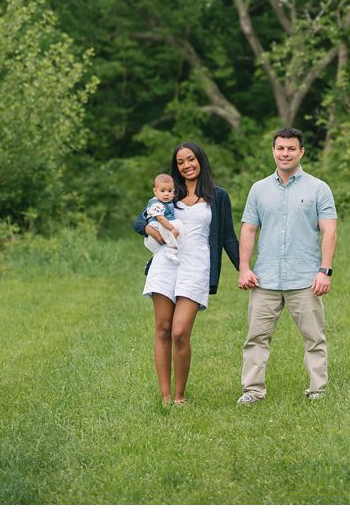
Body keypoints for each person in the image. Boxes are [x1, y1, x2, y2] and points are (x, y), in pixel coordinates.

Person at [132, 141, 241, 407]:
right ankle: (167, 398)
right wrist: (151, 230)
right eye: (180, 162)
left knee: (180, 332)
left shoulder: (218, 196)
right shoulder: (170, 193)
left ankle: (181, 395)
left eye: (190, 159)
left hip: (196, 265)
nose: (186, 165)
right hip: (166, 263)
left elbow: (228, 238)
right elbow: (139, 220)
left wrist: (245, 269)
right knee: (163, 329)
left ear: (200, 160)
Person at [237, 127, 338, 405]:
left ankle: (318, 390)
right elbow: (248, 229)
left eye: (291, 148)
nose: (285, 153)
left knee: (314, 338)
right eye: (280, 148)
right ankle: (253, 391)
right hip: (265, 278)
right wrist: (244, 268)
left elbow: (329, 231)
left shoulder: (318, 188)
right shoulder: (258, 189)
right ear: (273, 151)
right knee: (256, 338)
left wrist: (324, 270)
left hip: (305, 278)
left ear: (301, 152)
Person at [141, 172, 182, 255]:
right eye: (162, 191)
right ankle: (171, 247)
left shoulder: (168, 202)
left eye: (169, 191)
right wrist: (172, 229)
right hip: (156, 224)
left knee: (178, 225)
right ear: (155, 191)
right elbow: (161, 219)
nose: (166, 194)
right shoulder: (156, 204)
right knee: (168, 228)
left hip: (164, 223)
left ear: (173, 192)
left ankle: (175, 245)